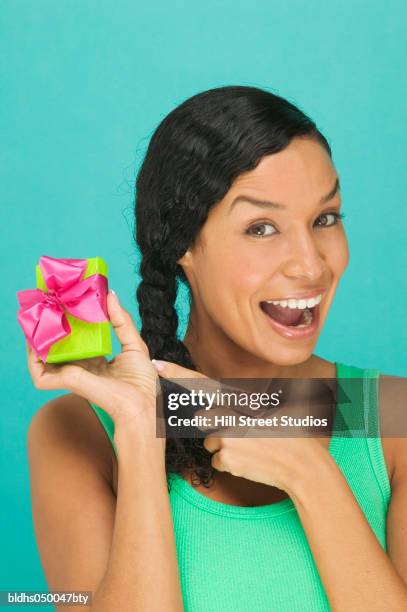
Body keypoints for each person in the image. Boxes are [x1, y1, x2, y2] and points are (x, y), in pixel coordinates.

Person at [26, 85, 407, 611]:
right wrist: (142, 430)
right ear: (182, 243)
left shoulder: (393, 418)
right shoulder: (76, 433)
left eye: (325, 219)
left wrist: (309, 474)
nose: (312, 265)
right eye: (262, 227)